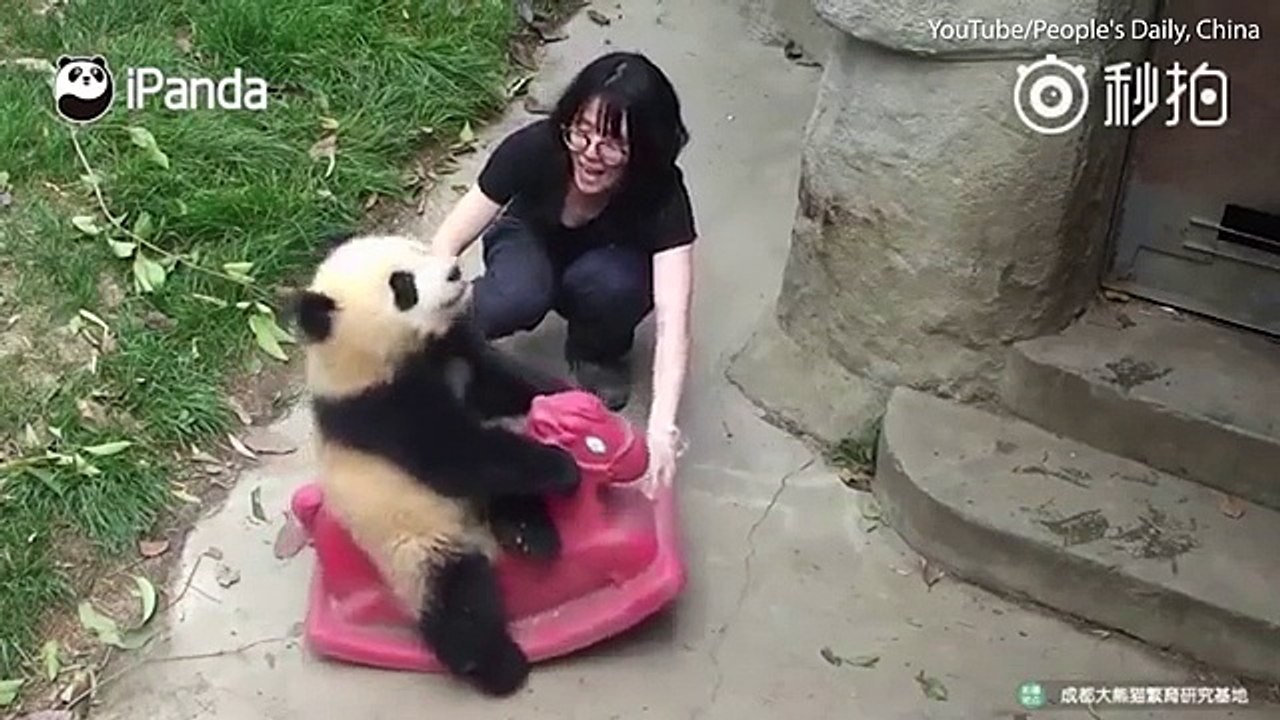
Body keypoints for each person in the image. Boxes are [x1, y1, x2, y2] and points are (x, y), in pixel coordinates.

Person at [427, 51, 695, 493]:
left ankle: (595, 352)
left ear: (646, 147)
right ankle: (457, 353)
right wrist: (423, 331)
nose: (591, 154)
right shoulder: (535, 147)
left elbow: (673, 322)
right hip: (526, 242)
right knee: (514, 295)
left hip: (607, 265)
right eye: (582, 132)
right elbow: (446, 243)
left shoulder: (662, 193)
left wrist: (662, 431)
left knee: (617, 286)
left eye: (613, 142)